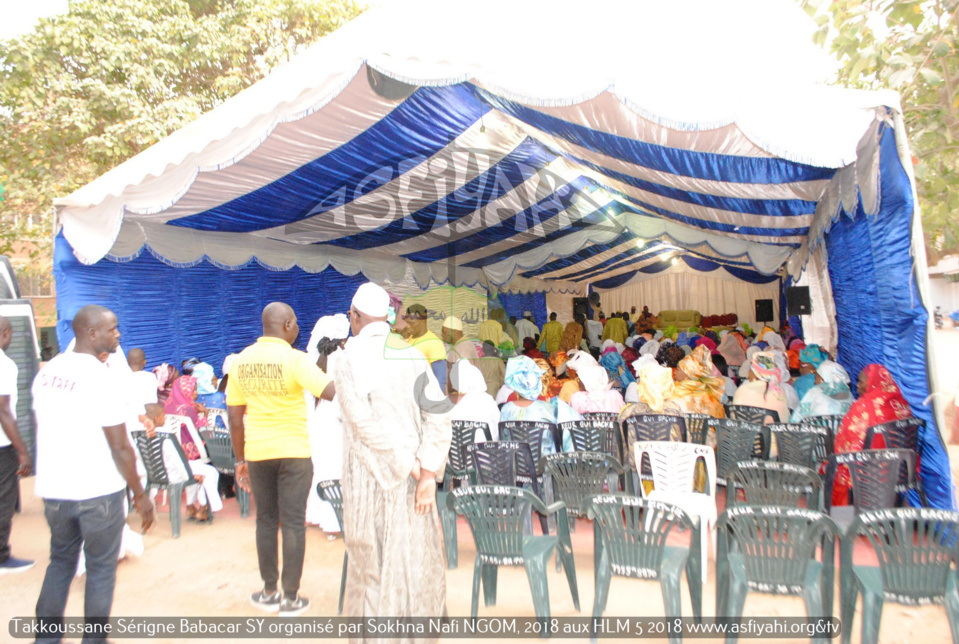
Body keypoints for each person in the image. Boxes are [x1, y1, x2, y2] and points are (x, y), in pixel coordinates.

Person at [32, 305, 156, 638]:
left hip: (55, 490)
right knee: (101, 571)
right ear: (91, 333)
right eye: (112, 328)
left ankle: (45, 637)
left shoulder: (48, 371)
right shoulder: (102, 379)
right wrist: (141, 495)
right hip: (98, 492)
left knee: (60, 563)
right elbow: (120, 447)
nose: (118, 334)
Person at [335, 282, 451, 626]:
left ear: (354, 317)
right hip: (415, 483)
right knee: (414, 556)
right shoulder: (413, 354)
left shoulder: (347, 359)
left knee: (371, 562)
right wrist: (427, 472)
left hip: (370, 479)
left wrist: (413, 469)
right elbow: (440, 414)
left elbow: (362, 426)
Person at [227, 302, 335, 617]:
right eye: (297, 323)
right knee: (292, 524)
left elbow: (235, 419)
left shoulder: (241, 361)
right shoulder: (295, 359)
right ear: (287, 325)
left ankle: (269, 591)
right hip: (295, 455)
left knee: (265, 521)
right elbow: (329, 392)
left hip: (258, 454)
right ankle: (291, 597)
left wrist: (240, 460)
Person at [832, 364, 912, 506]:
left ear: (872, 383)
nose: (857, 386)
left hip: (869, 472)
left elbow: (846, 442)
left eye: (861, 381)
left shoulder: (863, 407)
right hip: (900, 470)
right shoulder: (901, 404)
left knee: (834, 464)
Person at [304, 314, 349, 533]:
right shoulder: (342, 358)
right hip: (335, 422)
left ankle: (315, 514)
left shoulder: (309, 359)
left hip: (314, 422)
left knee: (317, 467)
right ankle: (333, 521)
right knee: (335, 468)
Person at [0, 316, 33, 574]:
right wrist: (22, 450)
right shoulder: (5, 364)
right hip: (1, 447)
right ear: (5, 333)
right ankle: (1, 557)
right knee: (4, 499)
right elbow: (3, 411)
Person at [163, 376, 221, 522]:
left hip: (175, 455)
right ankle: (203, 507)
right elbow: (201, 431)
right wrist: (204, 414)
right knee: (209, 469)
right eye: (193, 389)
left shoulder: (168, 405)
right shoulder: (189, 409)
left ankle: (190, 506)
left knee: (198, 470)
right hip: (191, 453)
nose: (195, 393)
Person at [731, 351, 790, 424]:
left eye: (750, 370)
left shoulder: (742, 390)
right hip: (772, 435)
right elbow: (785, 419)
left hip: (745, 434)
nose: (748, 373)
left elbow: (734, 417)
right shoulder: (779, 391)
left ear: (756, 373)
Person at [450, 359, 501, 441]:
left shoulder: (450, 403)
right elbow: (498, 424)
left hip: (457, 452)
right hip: (486, 451)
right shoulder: (487, 400)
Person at [403, 304, 448, 392]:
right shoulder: (411, 338)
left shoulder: (433, 342)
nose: (407, 326)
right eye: (406, 322)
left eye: (411, 323)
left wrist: (435, 402)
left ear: (422, 322)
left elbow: (440, 377)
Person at [671, 345, 726, 417]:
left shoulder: (676, 391)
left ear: (688, 374)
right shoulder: (710, 392)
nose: (675, 372)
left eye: (678, 369)